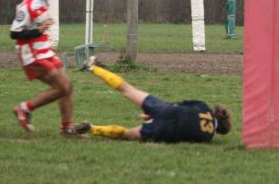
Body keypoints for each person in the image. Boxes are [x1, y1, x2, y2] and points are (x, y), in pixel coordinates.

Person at [74, 56, 232, 143]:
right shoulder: (208, 137)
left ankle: (93, 67)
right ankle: (92, 128)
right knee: (128, 134)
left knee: (127, 89)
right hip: (168, 129)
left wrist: (152, 113)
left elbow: (180, 105)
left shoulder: (203, 106)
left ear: (216, 113)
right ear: (218, 130)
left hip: (167, 109)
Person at [10, 0, 80, 136]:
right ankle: (24, 109)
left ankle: (67, 127)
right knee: (62, 87)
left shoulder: (42, 2)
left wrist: (42, 31)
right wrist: (39, 30)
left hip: (45, 52)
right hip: (32, 56)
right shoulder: (27, 6)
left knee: (68, 86)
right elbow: (14, 33)